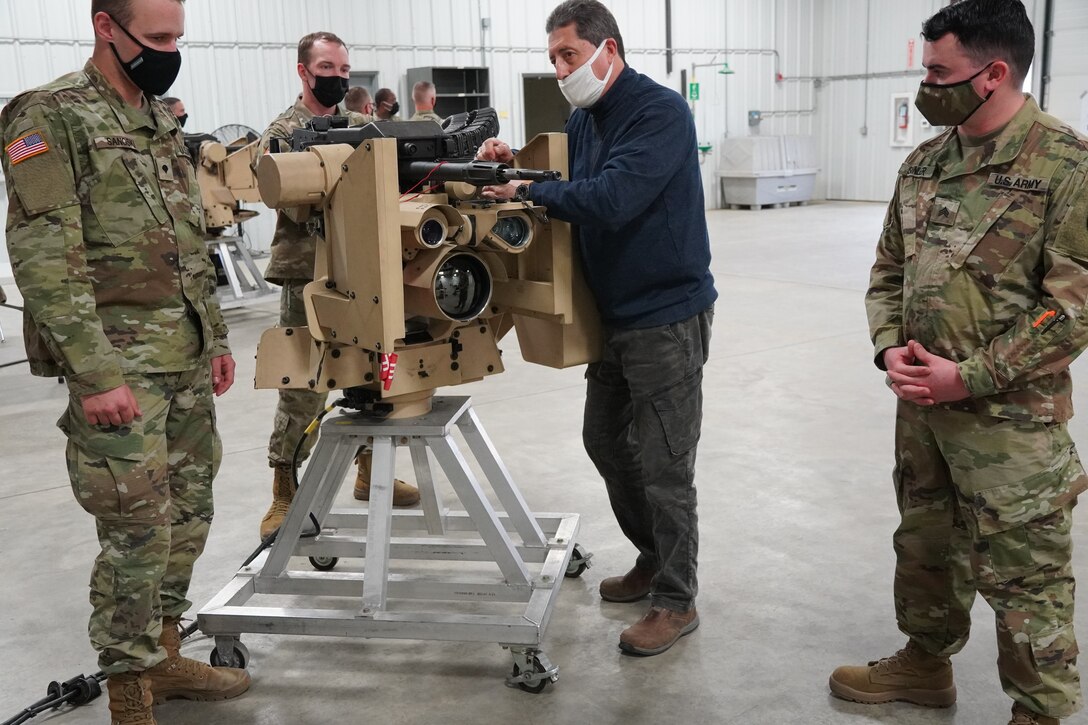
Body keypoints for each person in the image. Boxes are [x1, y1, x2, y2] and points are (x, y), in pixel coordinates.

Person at [828, 2, 1086, 723]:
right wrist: (889, 348)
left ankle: (1037, 710)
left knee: (1026, 572)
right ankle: (925, 660)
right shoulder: (927, 162)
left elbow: (1072, 307)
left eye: (939, 71)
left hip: (1012, 427)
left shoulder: (1065, 165)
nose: (926, 82)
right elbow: (888, 269)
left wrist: (966, 376)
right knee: (925, 542)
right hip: (923, 410)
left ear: (993, 74)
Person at [0, 0, 249, 721]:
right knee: (136, 527)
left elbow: (189, 235)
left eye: (178, 36)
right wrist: (96, 372)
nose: (171, 49)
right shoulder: (49, 116)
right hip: (120, 368)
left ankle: (166, 652)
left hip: (184, 357)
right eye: (159, 37)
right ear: (106, 26)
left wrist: (216, 339)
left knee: (189, 511)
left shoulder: (158, 120)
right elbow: (45, 257)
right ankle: (130, 687)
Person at [479, 0, 716, 657]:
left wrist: (528, 194)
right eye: (553, 59)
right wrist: (516, 171)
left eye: (569, 56)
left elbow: (612, 198)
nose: (560, 70)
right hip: (613, 315)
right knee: (605, 437)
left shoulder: (658, 113)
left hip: (666, 316)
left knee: (667, 462)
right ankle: (652, 555)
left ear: (609, 50)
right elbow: (573, 184)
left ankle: (676, 598)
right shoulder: (587, 118)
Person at [257, 32, 418, 541]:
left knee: (372, 372)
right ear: (303, 71)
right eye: (327, 67)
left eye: (344, 68)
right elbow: (281, 196)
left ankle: (370, 471)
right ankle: (284, 489)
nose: (338, 77)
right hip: (307, 272)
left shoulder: (360, 127)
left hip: (362, 270)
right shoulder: (282, 131)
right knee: (304, 380)